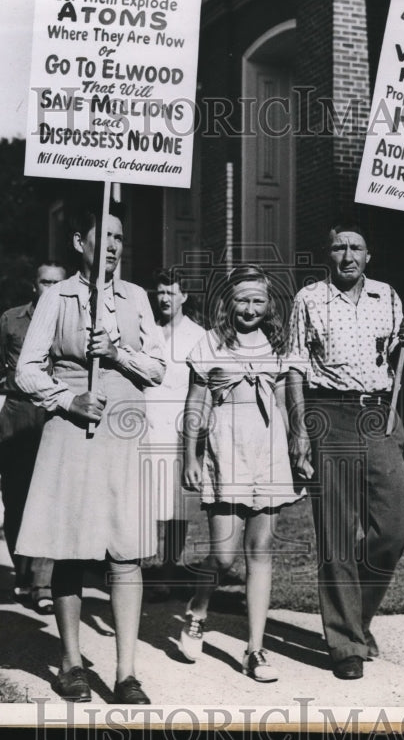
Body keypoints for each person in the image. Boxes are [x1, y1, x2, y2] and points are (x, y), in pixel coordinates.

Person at [14, 208, 165, 704]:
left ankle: (126, 673)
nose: (115, 247)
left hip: (124, 426)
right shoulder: (58, 297)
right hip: (74, 426)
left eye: (121, 237)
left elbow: (159, 367)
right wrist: (68, 399)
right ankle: (72, 663)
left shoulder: (137, 297)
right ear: (82, 241)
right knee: (72, 546)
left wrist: (118, 352)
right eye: (106, 237)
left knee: (126, 548)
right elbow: (27, 371)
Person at [285, 221, 404, 681]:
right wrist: (300, 430)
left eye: (355, 248)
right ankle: (345, 643)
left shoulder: (389, 296)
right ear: (329, 254)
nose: (347, 256)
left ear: (369, 255)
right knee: (339, 535)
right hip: (330, 415)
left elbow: (397, 364)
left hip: (379, 414)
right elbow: (296, 369)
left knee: (393, 529)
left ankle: (356, 619)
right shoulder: (308, 300)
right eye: (338, 247)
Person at [177, 264, 303, 683]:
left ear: (269, 305)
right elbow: (195, 405)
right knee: (226, 555)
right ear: (229, 302)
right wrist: (190, 457)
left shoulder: (279, 343)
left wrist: (297, 447)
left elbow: (286, 402)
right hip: (225, 447)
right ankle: (197, 610)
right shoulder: (210, 343)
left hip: (267, 449)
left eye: (258, 300)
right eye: (242, 299)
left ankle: (255, 650)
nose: (250, 308)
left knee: (261, 551)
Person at [0, 261, 66, 615]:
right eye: (44, 282)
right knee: (16, 502)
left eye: (58, 282)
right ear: (34, 284)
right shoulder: (12, 320)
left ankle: (42, 583)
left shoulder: (72, 321)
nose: (51, 288)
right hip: (17, 414)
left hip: (57, 412)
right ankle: (24, 574)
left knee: (50, 499)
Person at [143, 269, 207, 601]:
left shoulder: (199, 335)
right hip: (147, 424)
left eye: (171, 291)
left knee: (177, 504)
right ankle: (146, 567)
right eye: (160, 292)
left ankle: (172, 567)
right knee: (147, 500)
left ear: (184, 296)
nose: (165, 298)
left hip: (181, 428)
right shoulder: (146, 331)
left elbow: (203, 389)